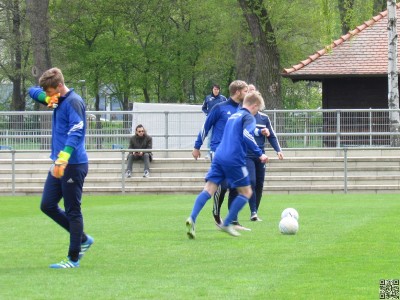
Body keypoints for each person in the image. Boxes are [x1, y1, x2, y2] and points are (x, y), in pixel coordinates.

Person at [28, 67, 93, 269]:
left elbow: (76, 132)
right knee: (47, 205)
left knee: (73, 211)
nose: (47, 96)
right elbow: (31, 91)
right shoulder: (55, 99)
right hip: (59, 164)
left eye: (49, 92)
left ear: (58, 86)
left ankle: (73, 258)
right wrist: (46, 99)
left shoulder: (73, 102)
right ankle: (82, 238)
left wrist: (62, 159)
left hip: (72, 165)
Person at [186, 91, 268, 239]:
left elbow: (240, 132)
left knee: (209, 189)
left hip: (219, 155)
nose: (257, 112)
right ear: (255, 106)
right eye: (258, 109)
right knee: (247, 192)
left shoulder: (233, 116)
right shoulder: (249, 116)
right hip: (234, 158)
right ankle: (227, 223)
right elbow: (246, 135)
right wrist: (259, 153)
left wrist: (258, 131)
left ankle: (192, 218)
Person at [192, 80, 248, 227]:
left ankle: (233, 220)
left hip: (235, 154)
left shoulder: (242, 111)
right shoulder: (219, 108)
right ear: (237, 92)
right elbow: (206, 126)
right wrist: (197, 146)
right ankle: (216, 214)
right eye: (245, 91)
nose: (247, 94)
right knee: (221, 186)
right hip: (218, 151)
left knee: (237, 186)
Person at [229, 84, 284, 223]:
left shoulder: (263, 118)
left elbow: (271, 135)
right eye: (249, 91)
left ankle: (253, 212)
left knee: (259, 184)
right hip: (247, 154)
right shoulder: (243, 116)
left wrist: (278, 150)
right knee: (251, 181)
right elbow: (247, 133)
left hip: (260, 154)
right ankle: (234, 216)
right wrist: (260, 133)